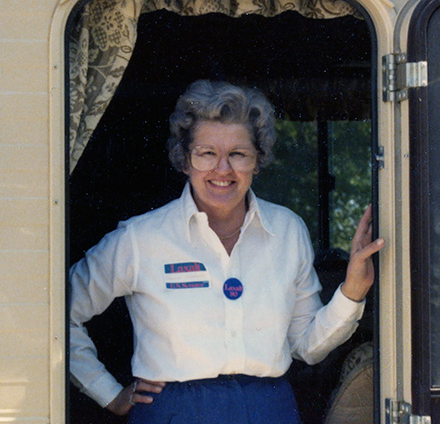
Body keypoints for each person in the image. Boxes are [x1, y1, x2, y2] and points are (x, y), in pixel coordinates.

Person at [69, 80, 384, 423]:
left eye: (238, 154)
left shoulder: (287, 230)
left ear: (257, 160)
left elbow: (306, 345)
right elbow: (59, 311)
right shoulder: (140, 238)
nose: (222, 169)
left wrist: (352, 292)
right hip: (175, 411)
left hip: (269, 409)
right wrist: (107, 391)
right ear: (185, 160)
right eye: (206, 153)